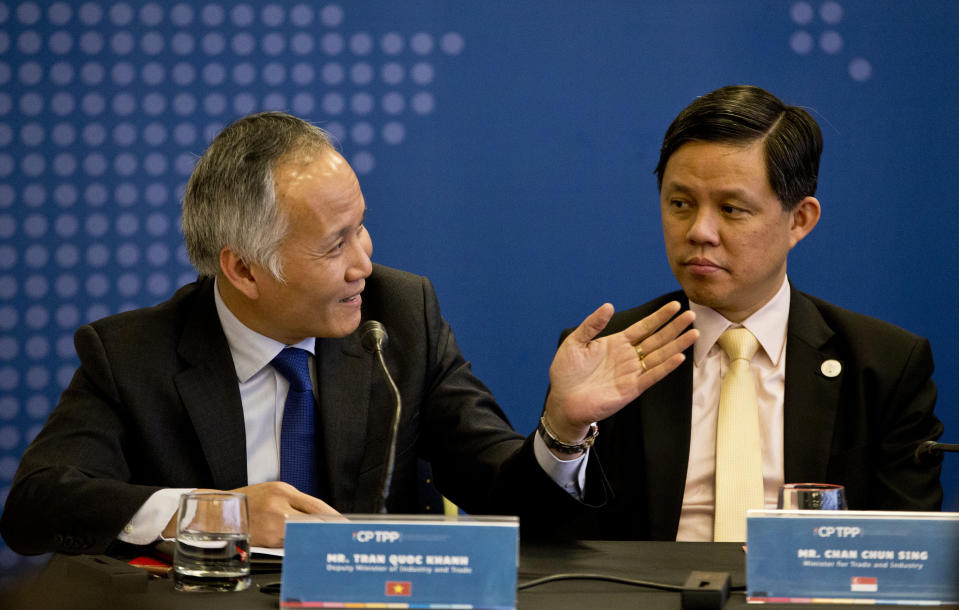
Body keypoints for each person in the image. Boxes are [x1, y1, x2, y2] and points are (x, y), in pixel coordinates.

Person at [0, 111, 697, 556]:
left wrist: (560, 429)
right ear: (243, 269)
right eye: (335, 245)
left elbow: (503, 497)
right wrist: (216, 514)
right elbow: (37, 504)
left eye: (360, 224)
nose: (365, 261)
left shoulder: (397, 320)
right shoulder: (133, 354)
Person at [541, 85, 944, 542]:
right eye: (680, 204)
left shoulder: (883, 366)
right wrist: (564, 431)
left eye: (731, 209)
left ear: (800, 220)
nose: (699, 231)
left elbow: (908, 554)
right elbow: (546, 546)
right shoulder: (610, 351)